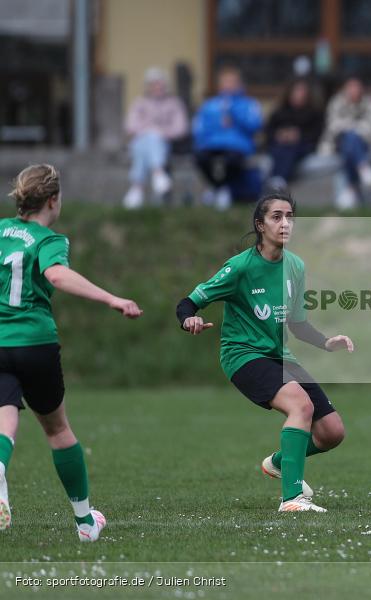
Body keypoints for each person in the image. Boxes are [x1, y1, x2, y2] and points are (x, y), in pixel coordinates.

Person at [175, 192, 353, 513]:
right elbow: (188, 302)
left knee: (332, 432)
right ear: (260, 225)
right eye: (276, 217)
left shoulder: (295, 266)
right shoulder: (240, 267)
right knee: (299, 405)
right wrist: (189, 318)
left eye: (290, 217)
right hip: (242, 355)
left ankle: (279, 462)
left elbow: (297, 325)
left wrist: (327, 342)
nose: (285, 223)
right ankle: (292, 499)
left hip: (279, 356)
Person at [0, 164, 143, 539]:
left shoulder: (0, 232)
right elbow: (58, 276)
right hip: (34, 342)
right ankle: (84, 521)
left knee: (4, 414)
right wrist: (111, 298)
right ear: (53, 199)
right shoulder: (49, 241)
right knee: (58, 428)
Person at [318, 74, 371, 208]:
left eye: (356, 87)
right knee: (349, 140)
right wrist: (352, 130)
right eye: (350, 87)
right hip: (338, 144)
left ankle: (351, 189)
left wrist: (352, 131)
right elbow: (333, 127)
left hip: (370, 144)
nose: (353, 90)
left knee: (351, 142)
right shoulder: (336, 103)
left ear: (362, 88)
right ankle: (363, 168)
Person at [193, 66, 263, 210]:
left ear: (239, 84)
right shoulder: (210, 105)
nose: (228, 85)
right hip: (213, 144)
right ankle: (218, 188)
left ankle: (224, 190)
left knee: (232, 161)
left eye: (232, 82)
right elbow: (200, 128)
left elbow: (255, 125)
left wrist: (234, 115)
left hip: (237, 145)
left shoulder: (248, 104)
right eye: (225, 82)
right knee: (200, 158)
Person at [122, 67, 189, 209]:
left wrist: (160, 132)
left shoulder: (174, 103)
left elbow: (181, 128)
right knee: (146, 141)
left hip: (166, 143)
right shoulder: (140, 103)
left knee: (151, 139)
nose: (157, 88)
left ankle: (137, 188)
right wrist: (150, 130)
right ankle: (158, 173)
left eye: (160, 84)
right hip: (142, 141)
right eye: (154, 84)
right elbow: (130, 126)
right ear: (148, 87)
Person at [265, 78, 325, 190]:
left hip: (302, 146)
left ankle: (278, 179)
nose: (299, 95)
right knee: (281, 149)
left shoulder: (314, 113)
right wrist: (280, 134)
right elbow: (269, 131)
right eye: (296, 91)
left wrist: (298, 135)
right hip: (279, 146)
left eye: (302, 92)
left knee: (290, 149)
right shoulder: (280, 111)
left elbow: (316, 134)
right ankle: (277, 179)